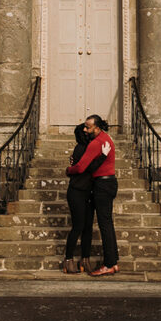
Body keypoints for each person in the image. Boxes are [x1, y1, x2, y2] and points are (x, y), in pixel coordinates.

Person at [66, 114, 118, 276]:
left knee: (104, 224)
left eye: (88, 127)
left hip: (102, 185)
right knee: (106, 223)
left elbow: (81, 168)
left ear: (97, 127)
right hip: (108, 183)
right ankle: (113, 261)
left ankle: (109, 264)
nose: (85, 130)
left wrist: (68, 170)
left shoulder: (96, 143)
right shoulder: (106, 137)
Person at [61, 122, 101, 274]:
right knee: (78, 226)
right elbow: (88, 167)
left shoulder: (88, 148)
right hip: (77, 192)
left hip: (88, 192)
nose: (88, 133)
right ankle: (68, 260)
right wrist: (103, 155)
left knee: (88, 228)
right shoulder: (81, 149)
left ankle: (85, 259)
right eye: (85, 132)